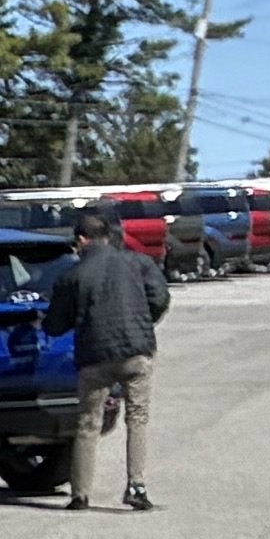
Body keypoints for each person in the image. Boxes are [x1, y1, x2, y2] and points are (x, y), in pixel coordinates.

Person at [49, 212, 167, 511]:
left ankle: (80, 494)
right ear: (107, 236)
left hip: (94, 356)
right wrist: (143, 321)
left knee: (88, 423)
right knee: (137, 418)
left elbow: (55, 325)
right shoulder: (138, 263)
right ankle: (136, 486)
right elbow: (160, 297)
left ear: (81, 240)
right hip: (136, 351)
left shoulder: (72, 276)